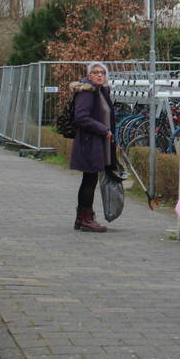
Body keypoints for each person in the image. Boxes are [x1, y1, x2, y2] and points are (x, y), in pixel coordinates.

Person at [69, 62, 117, 233]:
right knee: (89, 180)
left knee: (90, 179)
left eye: (102, 72)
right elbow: (81, 117)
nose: (99, 75)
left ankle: (82, 217)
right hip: (89, 142)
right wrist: (103, 130)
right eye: (95, 72)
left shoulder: (101, 91)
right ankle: (85, 219)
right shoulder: (87, 92)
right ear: (89, 76)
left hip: (98, 142)